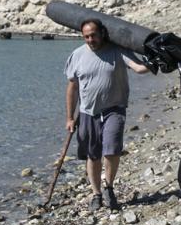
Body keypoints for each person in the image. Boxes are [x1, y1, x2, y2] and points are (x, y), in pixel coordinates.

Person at [64, 18, 151, 211]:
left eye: (93, 35)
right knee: (92, 155)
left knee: (111, 149)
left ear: (102, 33)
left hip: (114, 109)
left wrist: (155, 61)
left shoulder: (117, 50)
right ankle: (96, 194)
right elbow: (72, 88)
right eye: (86, 36)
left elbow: (139, 68)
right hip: (87, 112)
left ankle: (109, 187)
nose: (90, 39)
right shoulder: (77, 55)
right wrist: (70, 118)